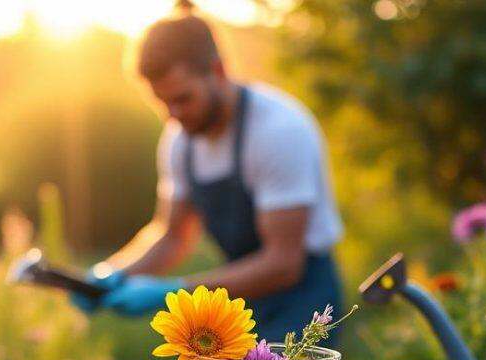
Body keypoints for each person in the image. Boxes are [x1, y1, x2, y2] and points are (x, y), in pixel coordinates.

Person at [77, 4, 343, 342]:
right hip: (236, 301)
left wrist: (174, 293)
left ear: (217, 71)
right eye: (161, 102)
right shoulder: (180, 141)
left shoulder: (278, 130)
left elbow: (283, 264)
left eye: (183, 98)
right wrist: (110, 274)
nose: (172, 115)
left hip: (303, 302)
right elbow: (173, 234)